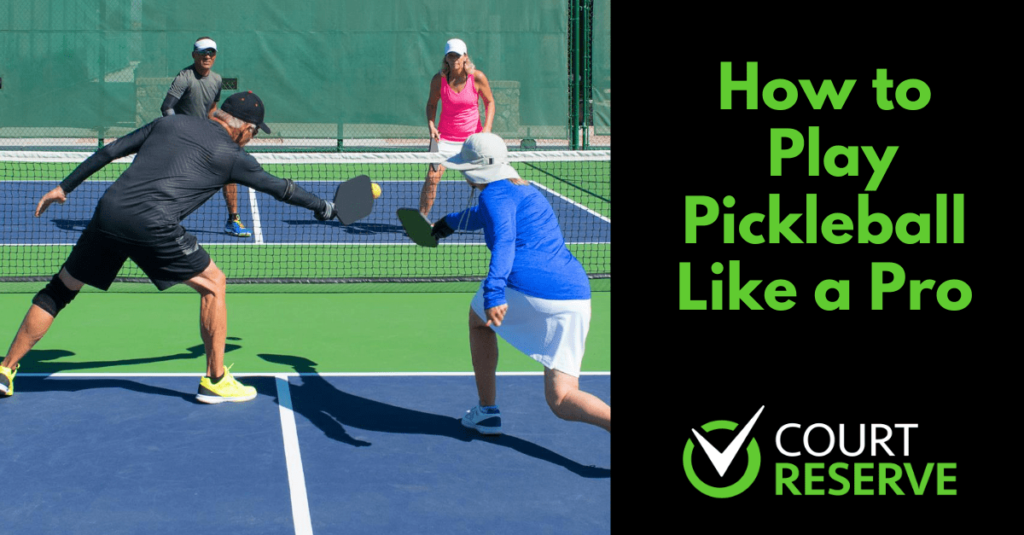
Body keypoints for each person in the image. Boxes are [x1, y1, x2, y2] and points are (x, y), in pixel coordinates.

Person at [0, 91, 339, 403]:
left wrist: (64, 187)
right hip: (154, 224)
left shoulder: (169, 121)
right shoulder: (234, 156)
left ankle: (5, 369)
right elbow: (283, 189)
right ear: (245, 129)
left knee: (60, 289)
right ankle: (215, 379)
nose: (251, 139)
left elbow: (109, 151)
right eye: (253, 133)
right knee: (214, 284)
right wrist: (324, 207)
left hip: (110, 212)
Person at [429, 133, 611, 435]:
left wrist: (494, 292)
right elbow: (483, 216)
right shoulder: (525, 190)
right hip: (575, 294)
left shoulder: (491, 196)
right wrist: (448, 223)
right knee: (562, 397)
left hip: (528, 287)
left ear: (474, 171)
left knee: (479, 322)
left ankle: (486, 411)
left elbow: (504, 241)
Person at [161, 36, 251, 238]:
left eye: (211, 52)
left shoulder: (217, 80)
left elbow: (212, 110)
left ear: (215, 56)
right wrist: (179, 132)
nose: (207, 56)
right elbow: (166, 107)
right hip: (184, 139)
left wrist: (228, 125)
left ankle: (233, 220)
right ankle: (165, 222)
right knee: (177, 182)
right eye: (202, 52)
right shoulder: (184, 77)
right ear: (194, 55)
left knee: (229, 169)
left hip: (206, 136)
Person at [420, 38, 495, 218]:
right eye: (450, 56)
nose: (454, 60)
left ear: (465, 57)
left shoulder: (477, 77)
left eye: (457, 56)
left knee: (485, 181)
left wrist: (487, 128)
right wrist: (431, 125)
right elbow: (431, 104)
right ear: (446, 58)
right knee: (432, 178)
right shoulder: (439, 80)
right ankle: (421, 219)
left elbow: (490, 102)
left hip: (472, 140)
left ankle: (495, 216)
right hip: (443, 139)